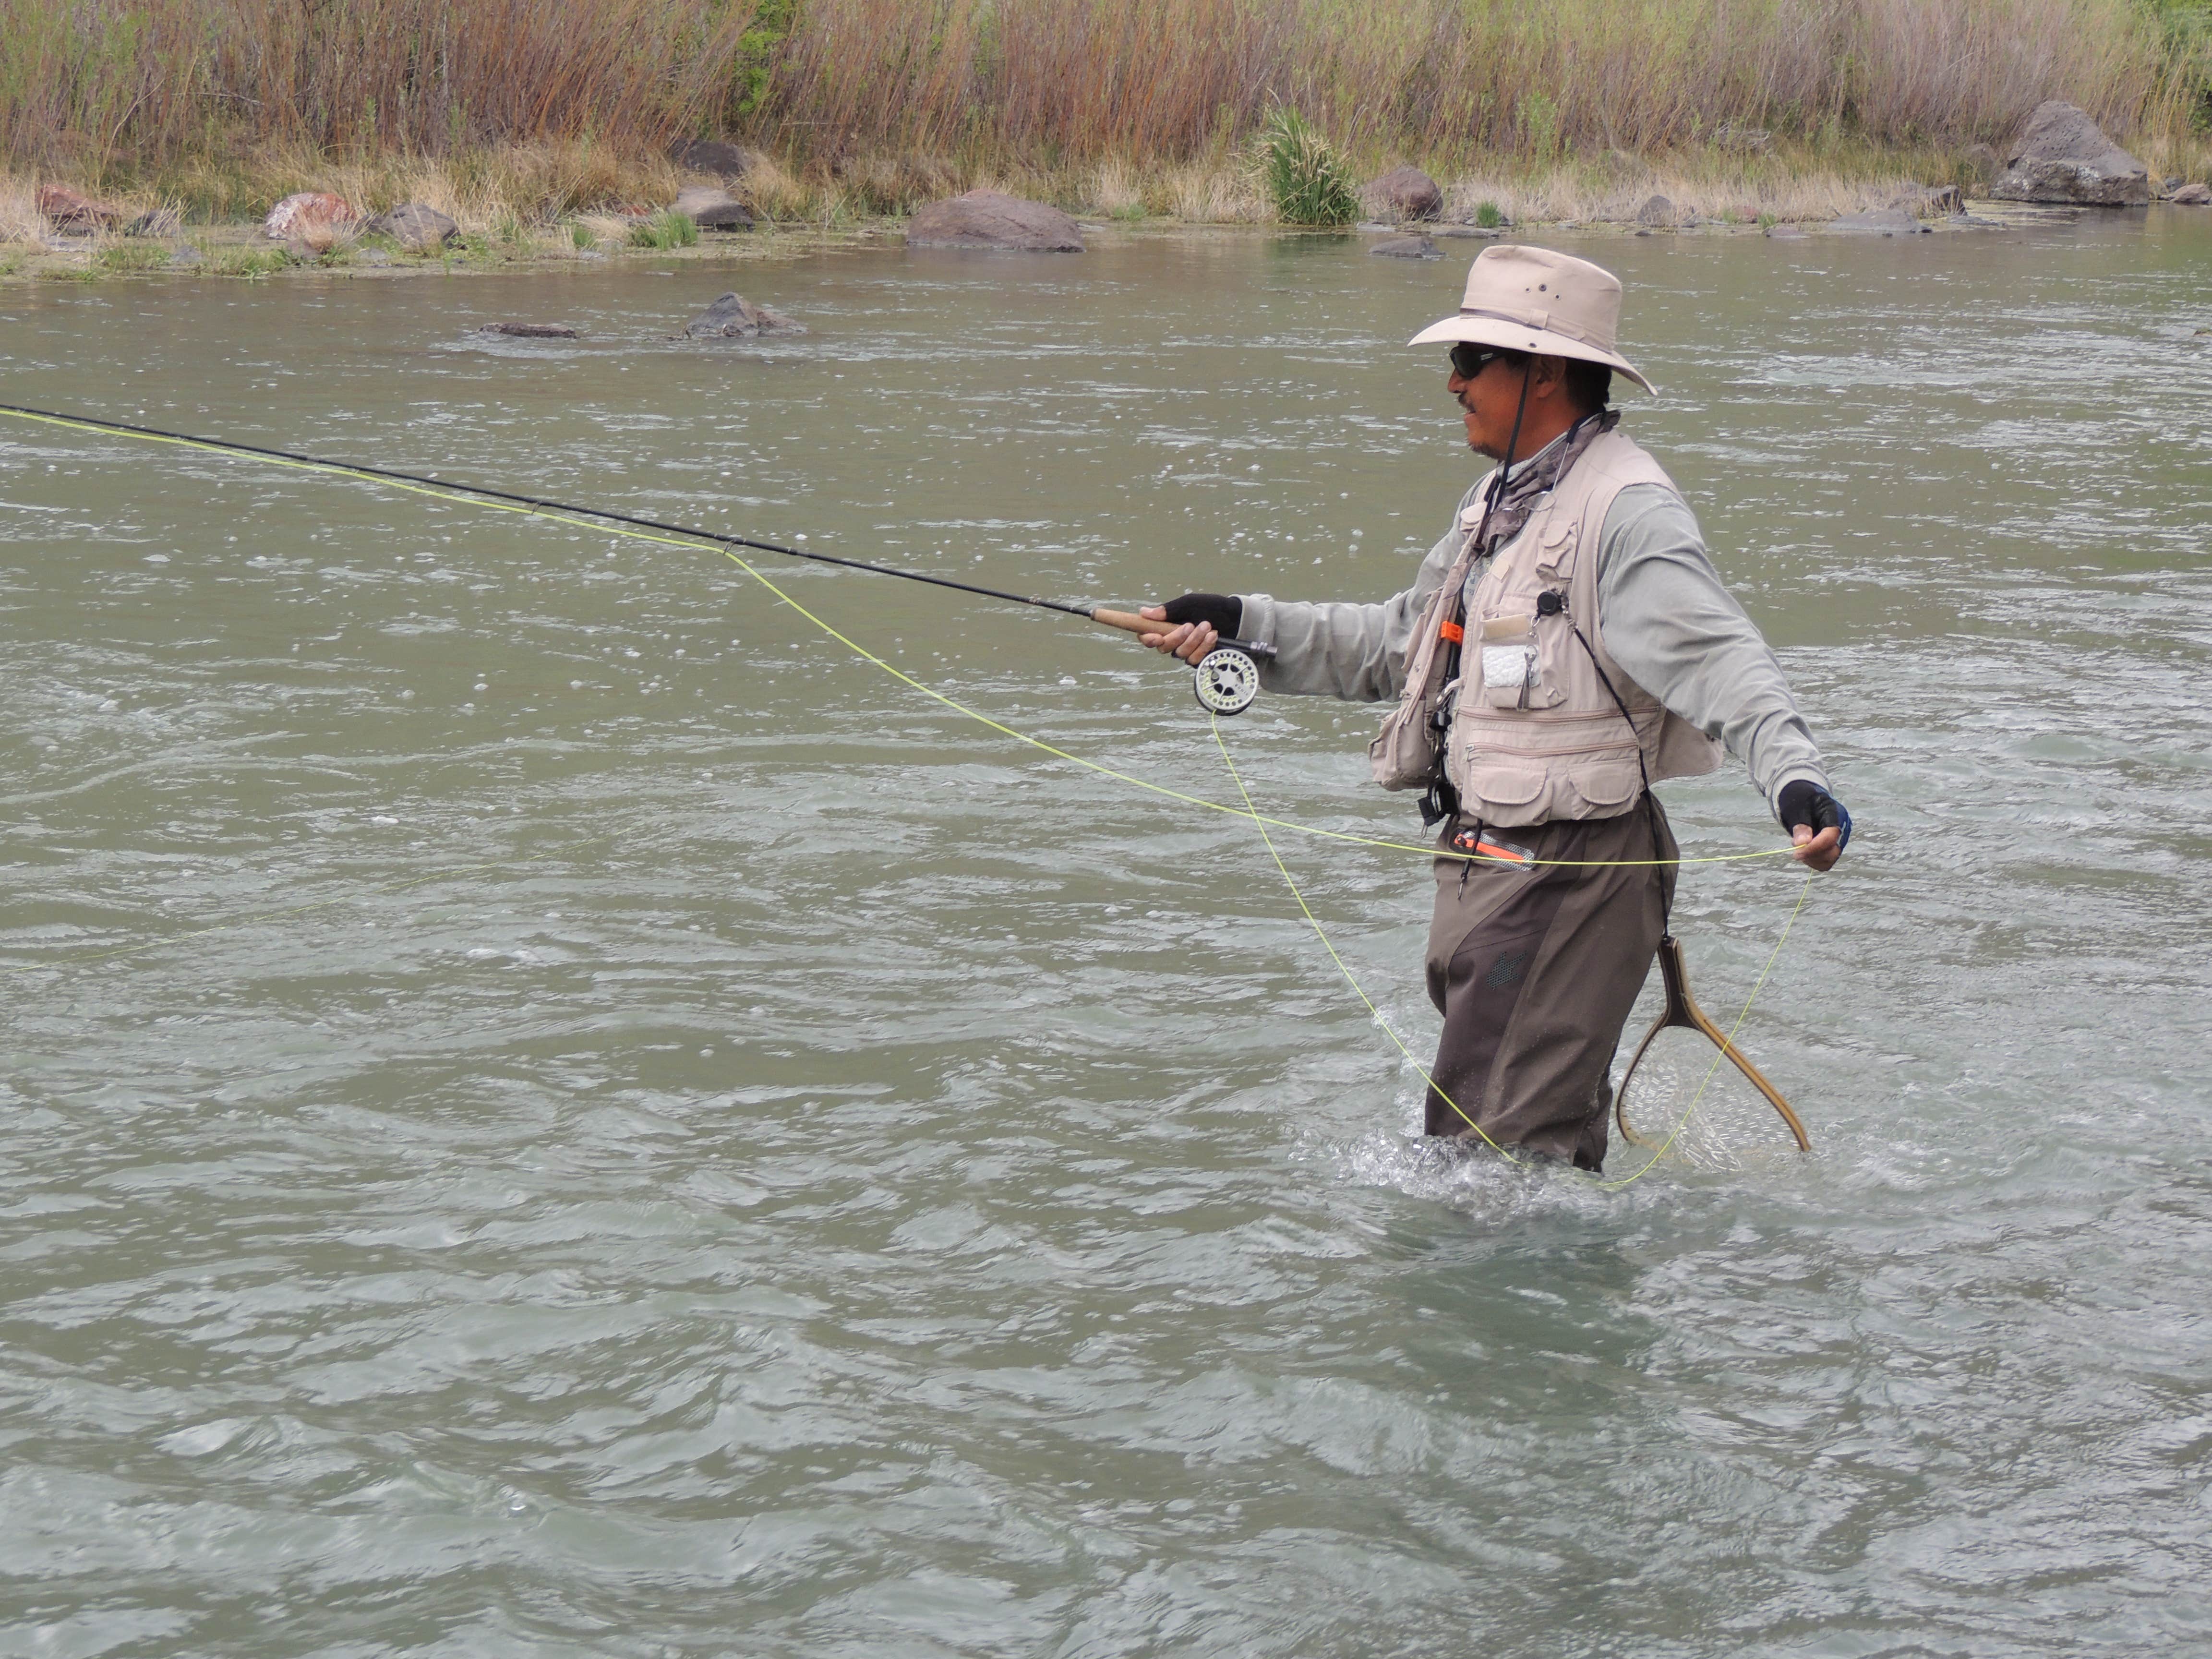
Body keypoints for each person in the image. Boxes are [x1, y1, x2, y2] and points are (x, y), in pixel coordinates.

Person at [1136, 244, 1849, 1171]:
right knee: (1505, 1164)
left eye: (1474, 361)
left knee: (1491, 1174)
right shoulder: (1495, 502)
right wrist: (1242, 625)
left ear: (1545, 372)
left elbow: (1723, 657)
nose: (1452, 383)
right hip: (1487, 874)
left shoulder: (1629, 513)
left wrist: (1797, 781)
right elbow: (1402, 645)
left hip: (1576, 878)